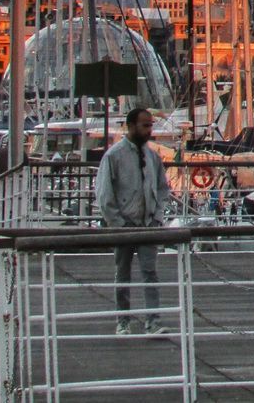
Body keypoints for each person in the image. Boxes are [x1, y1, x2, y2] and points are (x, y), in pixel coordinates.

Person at [95, 107, 172, 335]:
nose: (149, 130)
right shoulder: (114, 156)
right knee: (123, 272)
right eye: (145, 125)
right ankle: (123, 321)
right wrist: (117, 223)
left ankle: (153, 322)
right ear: (131, 126)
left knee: (150, 272)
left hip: (148, 224)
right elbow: (104, 193)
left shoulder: (152, 157)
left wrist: (157, 217)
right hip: (124, 225)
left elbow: (162, 188)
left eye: (150, 125)